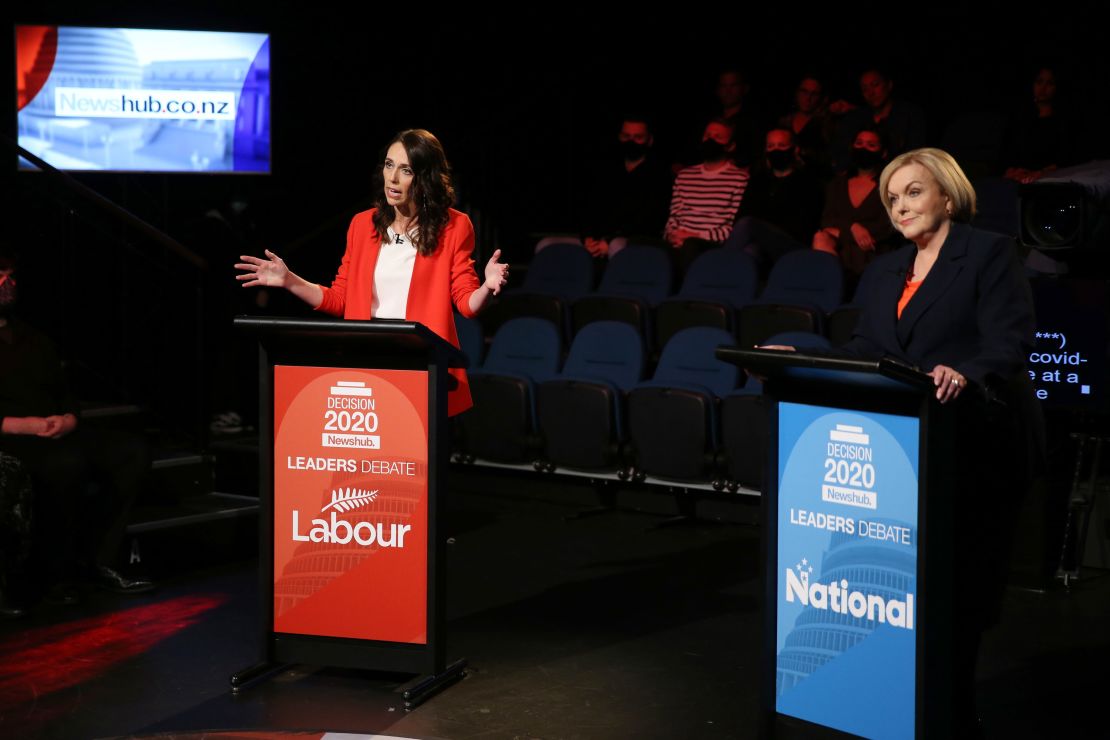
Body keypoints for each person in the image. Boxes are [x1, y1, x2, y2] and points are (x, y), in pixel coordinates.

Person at [769, 147, 1041, 732]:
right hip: (903, 449)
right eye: (892, 199)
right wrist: (803, 359)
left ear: (947, 194)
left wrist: (965, 373)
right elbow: (871, 353)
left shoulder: (989, 253)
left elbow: (1008, 341)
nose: (900, 207)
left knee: (958, 598)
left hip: (976, 441)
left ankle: (952, 716)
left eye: (913, 192)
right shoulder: (885, 270)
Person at [236, 129, 508, 417]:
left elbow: (467, 303)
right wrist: (289, 281)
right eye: (389, 165)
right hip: (367, 359)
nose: (392, 178)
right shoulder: (362, 225)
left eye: (406, 170)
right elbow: (340, 298)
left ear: (425, 177)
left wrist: (488, 286)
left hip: (420, 364)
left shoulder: (454, 226)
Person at [0, 251, 153, 602]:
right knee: (64, 465)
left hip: (53, 430)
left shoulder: (32, 337)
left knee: (130, 452)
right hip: (12, 435)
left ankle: (100, 560)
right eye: (0, 275)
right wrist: (20, 425)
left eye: (11, 274)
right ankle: (54, 575)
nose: (8, 283)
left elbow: (65, 393)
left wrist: (69, 418)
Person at [812, 127, 899, 291]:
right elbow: (827, 220)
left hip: (872, 250)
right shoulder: (837, 184)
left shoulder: (890, 186)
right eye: (859, 143)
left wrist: (843, 231)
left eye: (871, 145)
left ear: (883, 152)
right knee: (820, 237)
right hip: (840, 250)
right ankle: (831, 292)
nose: (863, 148)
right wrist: (852, 228)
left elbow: (888, 226)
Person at [581, 116, 674, 258]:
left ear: (649, 140)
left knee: (617, 246)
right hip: (595, 241)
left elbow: (651, 221)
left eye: (638, 137)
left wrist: (609, 241)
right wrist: (588, 238)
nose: (631, 141)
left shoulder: (660, 176)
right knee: (547, 245)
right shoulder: (605, 170)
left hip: (631, 242)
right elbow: (590, 209)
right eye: (626, 136)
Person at [664, 119, 750, 272]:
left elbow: (732, 226)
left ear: (730, 146)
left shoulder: (740, 179)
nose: (711, 140)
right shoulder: (684, 175)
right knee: (638, 244)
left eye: (718, 137)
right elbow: (674, 216)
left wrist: (695, 236)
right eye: (707, 135)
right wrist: (672, 235)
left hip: (709, 244)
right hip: (679, 241)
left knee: (691, 246)